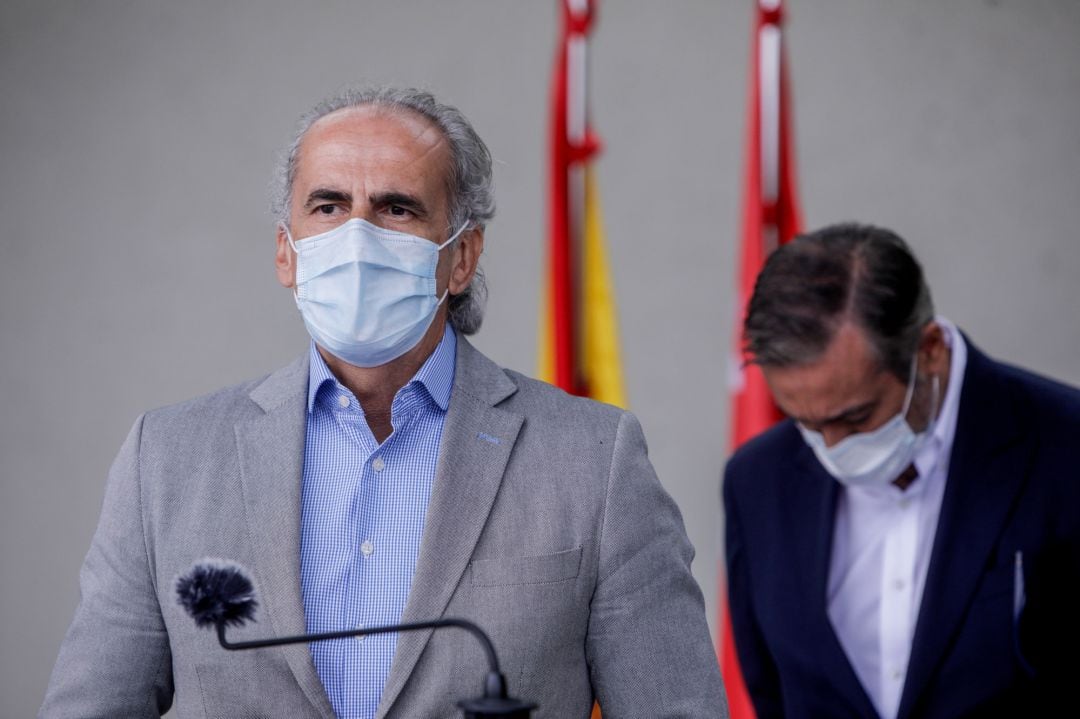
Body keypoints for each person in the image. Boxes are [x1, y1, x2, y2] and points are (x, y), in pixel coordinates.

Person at [42, 87, 727, 718]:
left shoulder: (592, 461)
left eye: (397, 208)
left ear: (461, 258)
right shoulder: (165, 461)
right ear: (287, 252)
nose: (358, 237)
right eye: (329, 205)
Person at [723, 223, 1080, 719]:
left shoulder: (1064, 446)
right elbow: (770, 690)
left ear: (928, 350)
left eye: (855, 417)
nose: (831, 448)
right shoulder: (757, 479)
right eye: (804, 422)